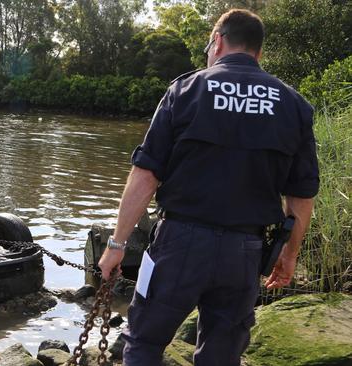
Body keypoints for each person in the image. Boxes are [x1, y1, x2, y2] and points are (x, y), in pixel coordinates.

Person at [98, 9, 319, 366]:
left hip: (179, 244)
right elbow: (302, 195)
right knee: (221, 355)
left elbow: (145, 176)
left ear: (217, 41)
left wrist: (117, 245)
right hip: (245, 251)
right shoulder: (294, 106)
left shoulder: (186, 90)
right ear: (258, 52)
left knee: (143, 342)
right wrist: (289, 255)